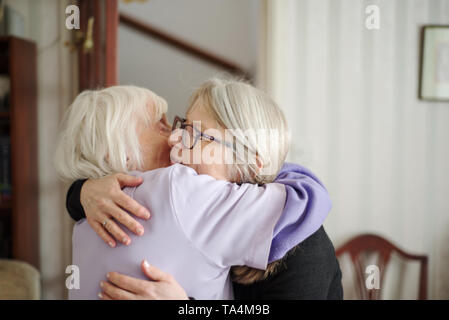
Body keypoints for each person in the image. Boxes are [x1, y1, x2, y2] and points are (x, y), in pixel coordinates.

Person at [59, 79, 342, 299]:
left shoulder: (304, 247)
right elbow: (306, 197)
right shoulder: (168, 196)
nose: (174, 138)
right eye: (168, 125)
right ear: (115, 152)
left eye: (195, 134)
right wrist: (83, 192)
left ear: (247, 162)